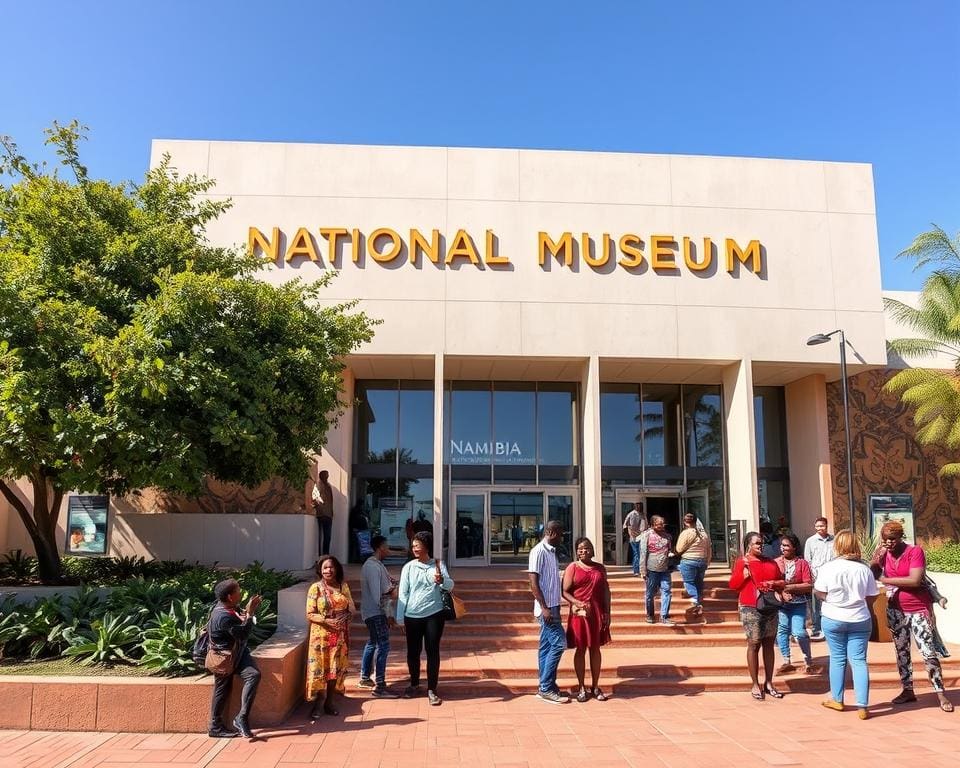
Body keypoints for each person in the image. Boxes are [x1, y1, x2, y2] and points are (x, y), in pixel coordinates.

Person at [871, 520, 954, 713]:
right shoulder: (884, 553)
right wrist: (877, 556)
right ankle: (907, 689)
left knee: (928, 651)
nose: (889, 543)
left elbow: (915, 580)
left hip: (918, 608)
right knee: (901, 651)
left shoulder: (914, 551)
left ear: (900, 537)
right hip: (895, 609)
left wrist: (885, 579)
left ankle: (940, 691)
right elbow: (872, 573)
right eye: (885, 539)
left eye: (892, 539)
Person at [813, 530, 878, 720]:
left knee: (838, 657)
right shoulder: (864, 569)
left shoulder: (828, 568)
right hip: (859, 618)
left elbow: (818, 591)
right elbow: (872, 595)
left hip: (833, 616)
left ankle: (837, 699)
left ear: (837, 546)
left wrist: (829, 599)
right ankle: (863, 705)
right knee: (858, 660)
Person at [396, 531, 453, 706]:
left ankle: (432, 689)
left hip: (434, 615)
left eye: (417, 546)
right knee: (413, 652)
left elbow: (450, 586)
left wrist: (442, 580)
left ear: (426, 546)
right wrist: (399, 617)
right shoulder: (409, 567)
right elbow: (403, 593)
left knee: (432, 651)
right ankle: (414, 684)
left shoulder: (438, 564)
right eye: (413, 546)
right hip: (412, 616)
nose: (414, 549)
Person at [729, 531, 786, 701]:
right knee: (754, 644)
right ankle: (755, 684)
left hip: (770, 606)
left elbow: (782, 581)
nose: (760, 546)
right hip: (750, 606)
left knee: (769, 643)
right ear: (749, 545)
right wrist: (743, 576)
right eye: (756, 543)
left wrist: (774, 584)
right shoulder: (743, 562)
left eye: (761, 543)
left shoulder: (771, 562)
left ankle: (769, 683)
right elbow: (733, 585)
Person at [208, 579, 262, 739]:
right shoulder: (223, 617)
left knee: (253, 675)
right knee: (222, 689)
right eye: (238, 591)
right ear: (230, 597)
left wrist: (245, 612)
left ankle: (241, 718)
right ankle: (215, 727)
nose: (241, 592)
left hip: (237, 652)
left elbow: (238, 619)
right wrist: (250, 613)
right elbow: (243, 634)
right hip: (224, 657)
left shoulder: (225, 606)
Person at [561, 537, 612, 702]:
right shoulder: (573, 567)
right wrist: (577, 602)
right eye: (580, 548)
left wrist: (608, 612)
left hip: (597, 612)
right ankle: (581, 687)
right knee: (581, 648)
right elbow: (565, 591)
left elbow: (606, 591)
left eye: (587, 548)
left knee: (595, 648)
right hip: (580, 614)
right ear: (576, 551)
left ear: (593, 550)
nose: (584, 551)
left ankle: (595, 686)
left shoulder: (600, 568)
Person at [305, 555, 355, 719]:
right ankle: (318, 703)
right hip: (320, 636)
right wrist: (327, 621)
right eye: (325, 567)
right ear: (320, 570)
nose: (328, 570)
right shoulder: (316, 588)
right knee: (320, 668)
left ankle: (330, 702)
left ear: (337, 569)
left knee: (335, 669)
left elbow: (352, 608)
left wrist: (345, 617)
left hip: (339, 636)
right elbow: (310, 613)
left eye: (331, 567)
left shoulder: (343, 587)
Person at [527, 519, 568, 704]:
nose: (562, 538)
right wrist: (544, 607)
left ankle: (547, 685)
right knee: (559, 644)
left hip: (554, 605)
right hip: (547, 608)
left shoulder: (552, 553)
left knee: (545, 647)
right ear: (551, 533)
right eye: (560, 534)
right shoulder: (538, 552)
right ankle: (545, 687)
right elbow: (533, 583)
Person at [358, 535, 400, 698]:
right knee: (383, 645)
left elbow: (388, 584)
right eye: (387, 546)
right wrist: (387, 613)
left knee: (373, 642)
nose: (388, 550)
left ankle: (365, 677)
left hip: (373, 611)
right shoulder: (372, 567)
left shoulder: (377, 565)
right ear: (380, 548)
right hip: (376, 612)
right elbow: (378, 594)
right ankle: (380, 686)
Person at [775, 533, 818, 674]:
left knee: (799, 632)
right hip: (782, 604)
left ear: (794, 547)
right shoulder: (776, 563)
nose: (783, 548)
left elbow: (808, 584)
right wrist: (781, 592)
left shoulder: (802, 563)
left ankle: (807, 659)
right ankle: (786, 660)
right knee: (782, 630)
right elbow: (773, 582)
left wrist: (791, 588)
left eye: (786, 545)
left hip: (798, 603)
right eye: (782, 545)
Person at [639, 515, 675, 625]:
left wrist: (671, 557)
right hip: (652, 569)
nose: (661, 526)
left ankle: (664, 615)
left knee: (667, 591)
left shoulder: (668, 536)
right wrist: (643, 570)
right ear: (653, 524)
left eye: (663, 523)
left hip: (664, 569)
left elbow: (669, 550)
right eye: (659, 524)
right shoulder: (647, 535)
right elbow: (643, 553)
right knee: (650, 594)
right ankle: (650, 614)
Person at [804, 517, 835, 640]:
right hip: (817, 576)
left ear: (826, 526)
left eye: (822, 526)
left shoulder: (834, 540)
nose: (819, 528)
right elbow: (808, 560)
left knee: (830, 601)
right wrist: (812, 575)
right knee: (816, 603)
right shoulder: (810, 541)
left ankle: (829, 628)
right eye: (817, 526)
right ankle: (817, 628)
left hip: (831, 576)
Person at [675, 513, 712, 618]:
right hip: (702, 561)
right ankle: (699, 602)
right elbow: (709, 548)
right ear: (696, 521)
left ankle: (695, 601)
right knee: (699, 583)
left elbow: (679, 549)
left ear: (685, 522)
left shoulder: (685, 533)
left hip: (688, 561)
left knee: (689, 582)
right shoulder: (704, 534)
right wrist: (707, 561)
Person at [311, 469, 334, 556]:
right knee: (321, 537)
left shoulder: (328, 485)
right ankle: (322, 555)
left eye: (327, 475)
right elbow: (315, 497)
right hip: (322, 513)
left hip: (328, 514)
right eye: (325, 475)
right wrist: (319, 506)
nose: (327, 476)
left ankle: (325, 554)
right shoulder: (318, 485)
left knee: (328, 536)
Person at [622, 502, 647, 576]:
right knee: (636, 553)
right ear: (635, 507)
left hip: (642, 537)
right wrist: (629, 535)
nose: (639, 507)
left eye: (641, 506)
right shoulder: (631, 514)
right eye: (638, 506)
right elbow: (625, 526)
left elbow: (646, 526)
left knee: (642, 554)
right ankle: (636, 570)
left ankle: (641, 569)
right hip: (634, 538)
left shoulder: (643, 515)